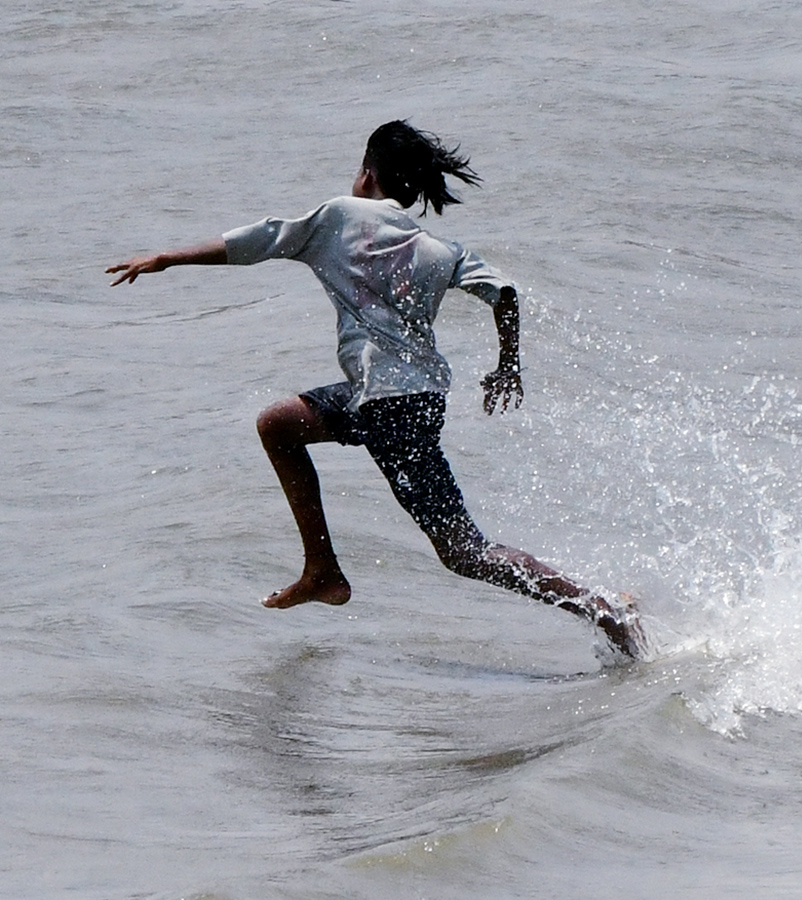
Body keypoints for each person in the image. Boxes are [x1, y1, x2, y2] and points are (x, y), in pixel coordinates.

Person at [107, 119, 645, 659]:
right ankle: (321, 571)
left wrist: (168, 258)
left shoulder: (339, 215)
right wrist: (508, 365)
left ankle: (602, 607)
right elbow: (503, 293)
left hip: (390, 406)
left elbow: (263, 238)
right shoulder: (439, 248)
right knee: (278, 424)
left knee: (463, 551)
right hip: (401, 398)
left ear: (367, 172)